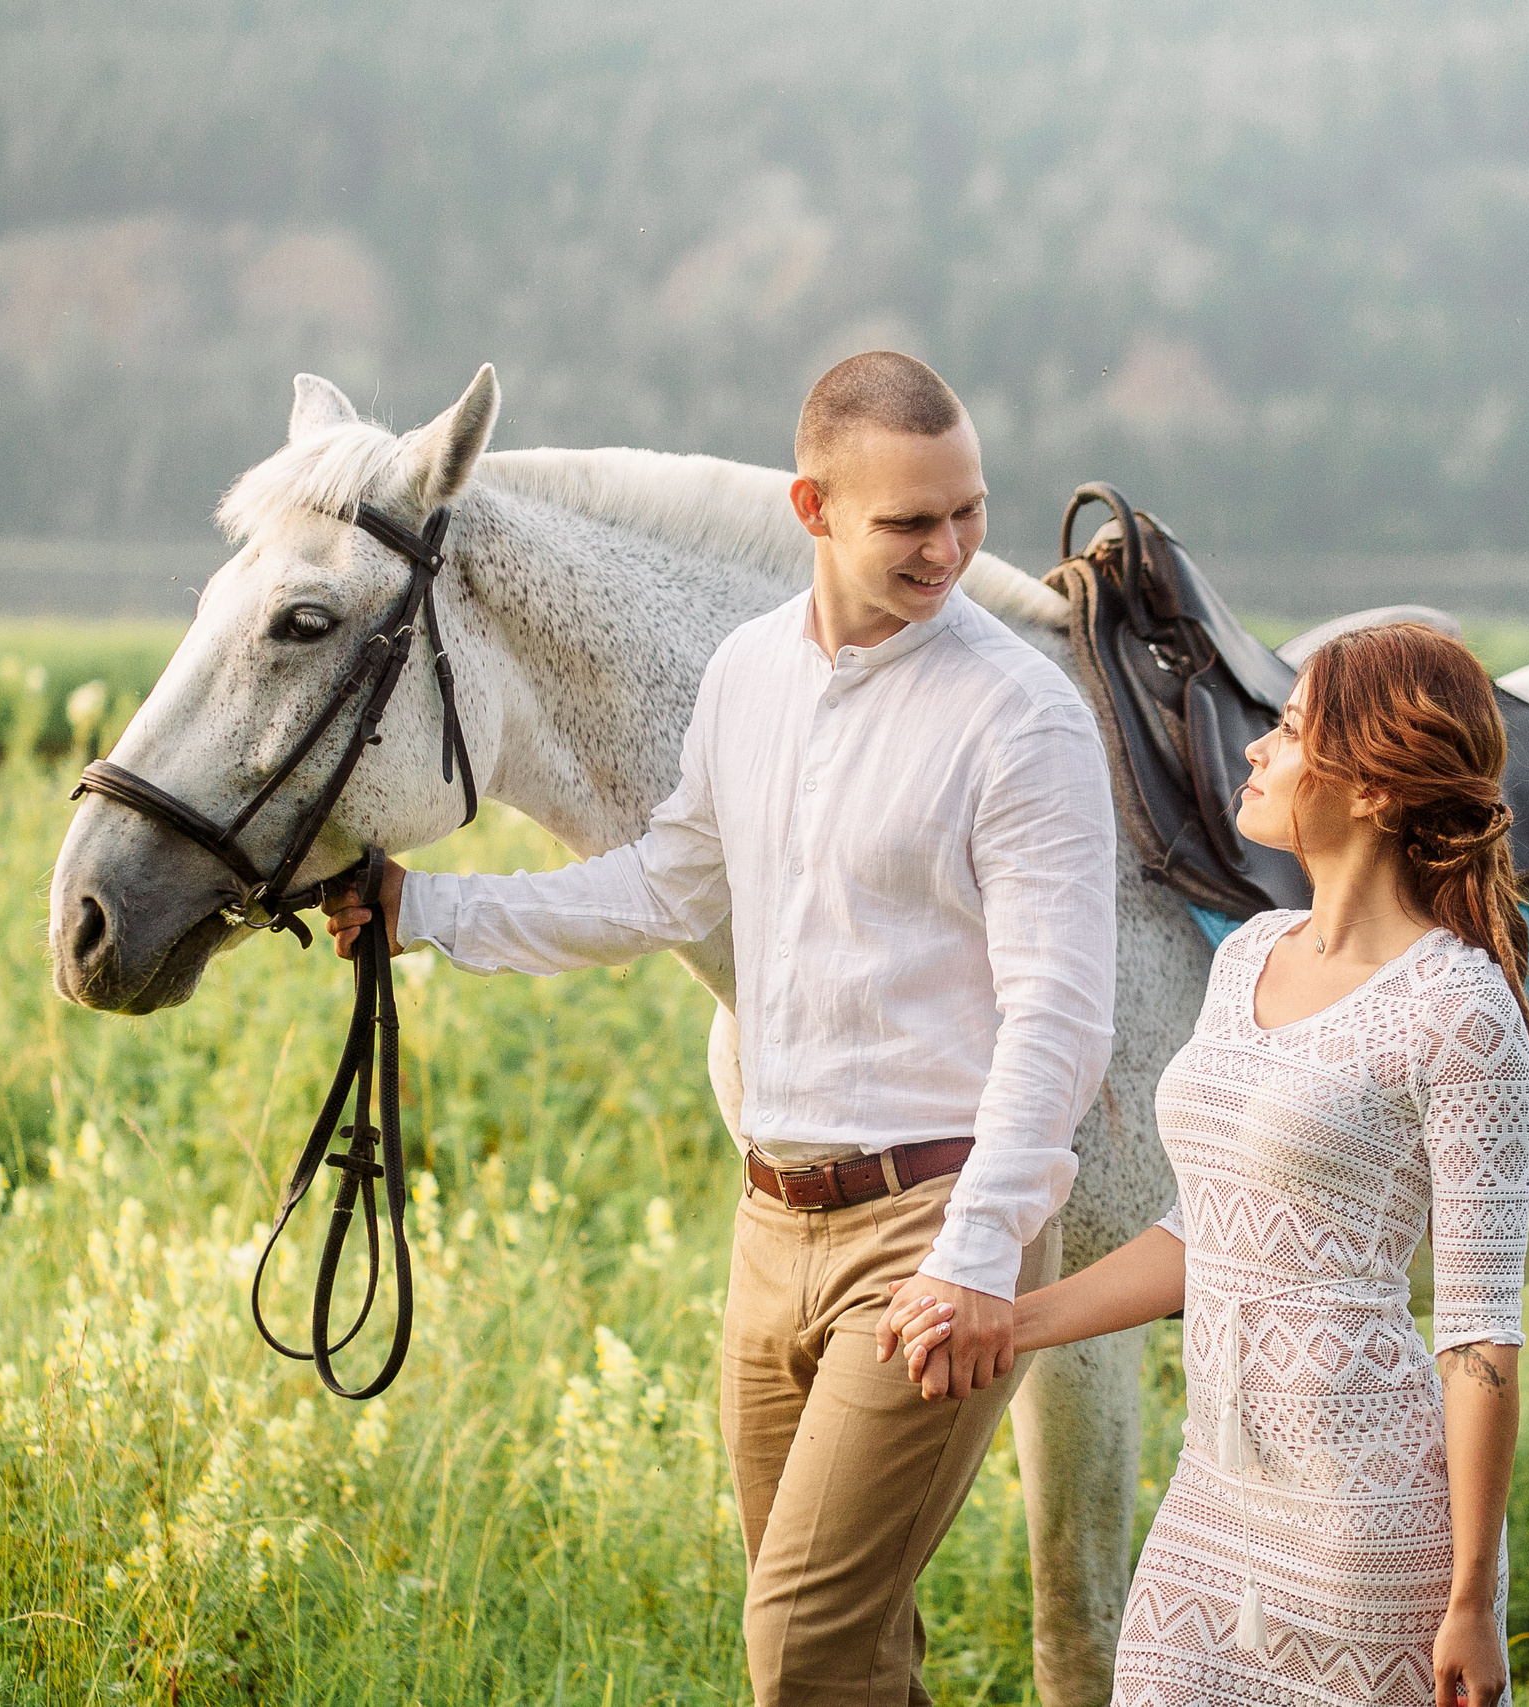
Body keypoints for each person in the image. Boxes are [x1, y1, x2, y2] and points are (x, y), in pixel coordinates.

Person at [325, 351, 1118, 1707]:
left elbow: (1060, 1011)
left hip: (928, 1228)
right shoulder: (748, 672)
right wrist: (426, 912)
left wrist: (983, 1249)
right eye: (909, 522)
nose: (951, 549)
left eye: (967, 510)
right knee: (852, 1649)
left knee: (800, 1649)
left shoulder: (1020, 717)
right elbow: (664, 884)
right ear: (812, 508)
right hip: (772, 1222)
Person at [884, 621, 1529, 1707]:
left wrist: (1471, 1601)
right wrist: (1011, 1324)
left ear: (1379, 789)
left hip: (1366, 1521)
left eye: (1291, 729)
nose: (1255, 749)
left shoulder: (1458, 1007)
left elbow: (1481, 1334)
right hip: (1213, 1497)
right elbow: (1204, 1232)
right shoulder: (1249, 951)